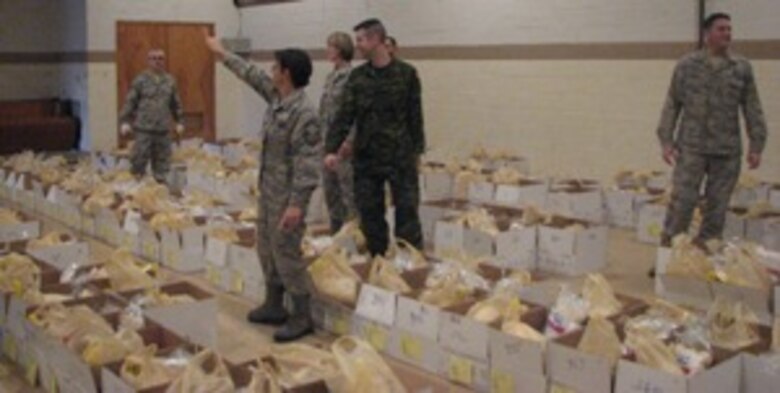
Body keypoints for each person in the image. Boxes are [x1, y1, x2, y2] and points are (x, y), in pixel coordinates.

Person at [205, 34, 321, 342]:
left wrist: (297, 204)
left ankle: (301, 314)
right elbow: (251, 74)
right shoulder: (277, 98)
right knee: (266, 248)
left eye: (275, 67)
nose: (270, 70)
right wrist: (222, 54)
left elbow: (309, 165)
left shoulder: (304, 114)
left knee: (286, 252)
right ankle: (274, 303)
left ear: (287, 74)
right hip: (269, 192)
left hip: (288, 196)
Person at [657, 12, 767, 248]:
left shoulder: (741, 68)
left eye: (729, 29)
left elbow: (752, 108)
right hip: (692, 149)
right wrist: (666, 140)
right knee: (682, 204)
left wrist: (756, 145)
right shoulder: (687, 66)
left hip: (726, 151)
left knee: (717, 209)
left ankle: (703, 256)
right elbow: (672, 104)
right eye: (721, 29)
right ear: (707, 35)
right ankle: (668, 255)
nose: (727, 33)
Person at [324, 18, 425, 256]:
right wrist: (331, 149)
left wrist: (417, 152)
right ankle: (378, 263)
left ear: (376, 39)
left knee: (407, 215)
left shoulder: (407, 74)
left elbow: (415, 116)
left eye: (361, 40)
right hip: (367, 158)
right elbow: (344, 116)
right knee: (370, 216)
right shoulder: (357, 78)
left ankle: (410, 267)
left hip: (400, 156)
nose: (357, 45)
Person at [119, 49, 185, 184]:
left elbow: (176, 104)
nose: (157, 61)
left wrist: (180, 121)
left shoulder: (170, 81)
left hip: (163, 129)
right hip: (144, 129)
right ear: (148, 61)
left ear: (164, 61)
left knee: (163, 164)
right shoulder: (141, 80)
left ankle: (159, 192)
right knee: (139, 161)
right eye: (153, 58)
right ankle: (136, 191)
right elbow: (130, 101)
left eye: (160, 58)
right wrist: (125, 121)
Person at [320, 32, 357, 234]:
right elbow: (324, 111)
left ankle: (354, 240)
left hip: (344, 147)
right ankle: (337, 238)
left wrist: (349, 142)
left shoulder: (351, 77)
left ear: (341, 49)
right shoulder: (331, 77)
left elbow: (356, 115)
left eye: (331, 46)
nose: (328, 50)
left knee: (348, 197)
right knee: (331, 195)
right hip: (328, 144)